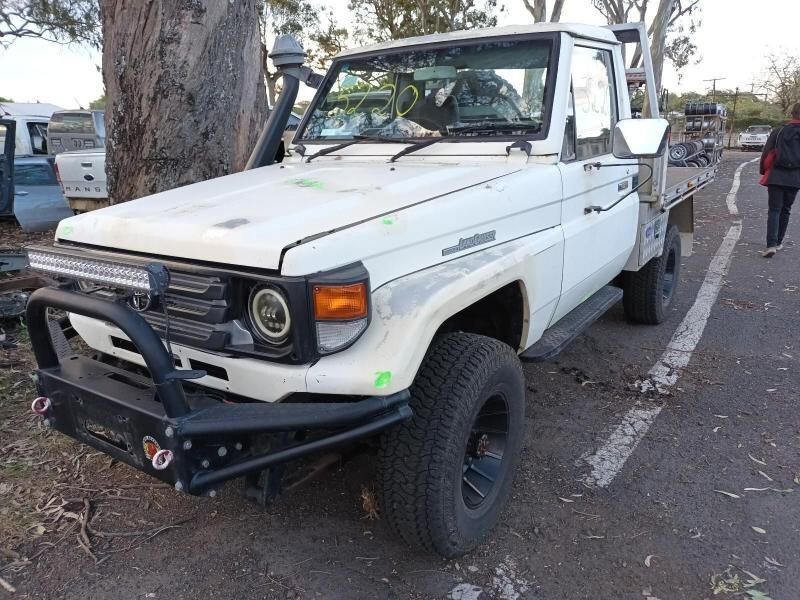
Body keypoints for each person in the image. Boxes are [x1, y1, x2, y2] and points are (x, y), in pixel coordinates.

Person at [759, 102, 800, 258]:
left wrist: (763, 170)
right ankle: (778, 242)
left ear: (792, 113)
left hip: (776, 175)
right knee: (786, 209)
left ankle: (771, 245)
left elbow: (767, 152)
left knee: (774, 210)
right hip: (795, 177)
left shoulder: (779, 131)